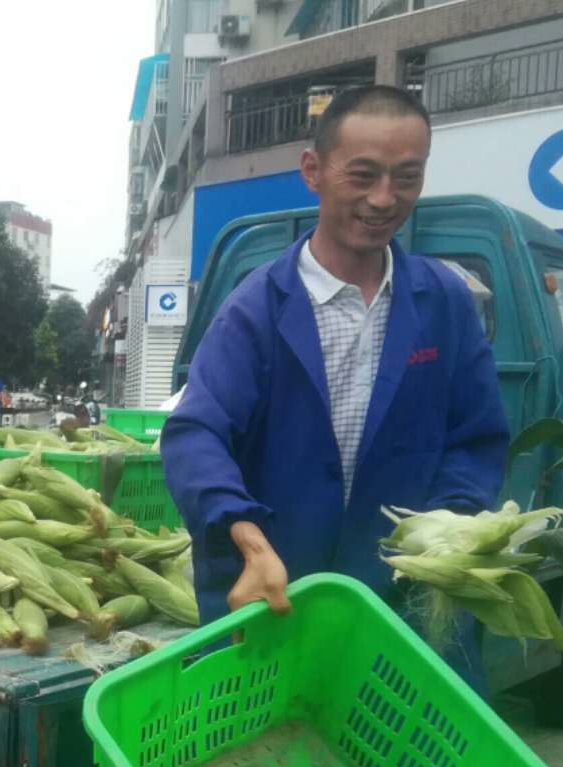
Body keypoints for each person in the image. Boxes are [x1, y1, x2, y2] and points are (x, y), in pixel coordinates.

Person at [161, 85, 508, 691]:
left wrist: (445, 532)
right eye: (364, 175)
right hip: (273, 599)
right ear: (313, 171)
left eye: (406, 177)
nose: (383, 199)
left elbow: (476, 437)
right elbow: (198, 433)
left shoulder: (444, 303)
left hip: (400, 615)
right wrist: (244, 533)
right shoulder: (258, 308)